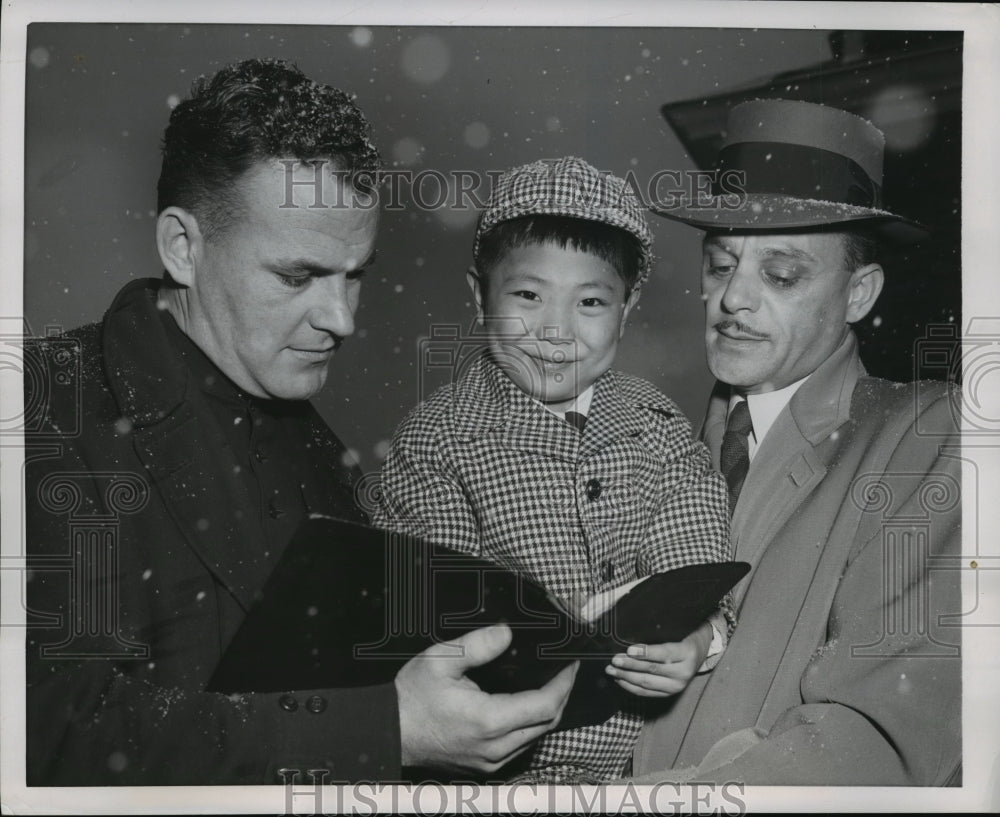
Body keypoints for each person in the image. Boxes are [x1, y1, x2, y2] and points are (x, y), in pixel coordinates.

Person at [23, 57, 578, 786]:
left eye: (356, 274)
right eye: (298, 276)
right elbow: (47, 730)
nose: (342, 318)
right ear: (182, 247)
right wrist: (387, 728)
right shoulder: (36, 407)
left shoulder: (320, 449)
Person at [626, 99, 962, 785]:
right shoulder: (656, 453)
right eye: (721, 266)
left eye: (781, 275)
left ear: (860, 294)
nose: (734, 300)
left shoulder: (931, 433)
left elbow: (875, 738)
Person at [372, 156, 732, 783]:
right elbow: (432, 612)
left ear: (628, 307)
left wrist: (698, 638)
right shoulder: (435, 439)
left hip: (647, 767)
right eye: (529, 296)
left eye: (591, 301)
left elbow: (699, 561)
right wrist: (571, 622)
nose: (556, 331)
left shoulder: (659, 424)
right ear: (478, 293)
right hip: (487, 769)